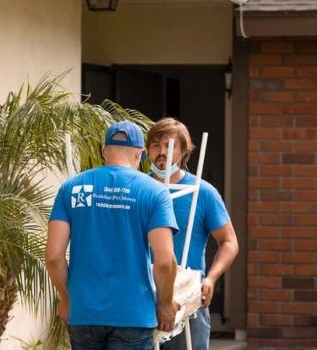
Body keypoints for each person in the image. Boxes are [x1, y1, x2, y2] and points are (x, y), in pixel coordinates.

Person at [46, 120, 181, 350]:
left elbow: (53, 256)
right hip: (134, 315)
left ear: (103, 152)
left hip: (84, 314)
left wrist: (67, 299)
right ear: (140, 155)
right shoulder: (155, 192)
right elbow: (165, 261)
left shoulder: (71, 188)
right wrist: (165, 304)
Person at [146, 118, 239, 350]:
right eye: (156, 145)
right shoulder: (138, 189)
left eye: (170, 146)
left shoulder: (202, 192)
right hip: (144, 296)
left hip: (187, 299)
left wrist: (211, 278)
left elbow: (229, 242)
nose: (162, 152)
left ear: (183, 152)